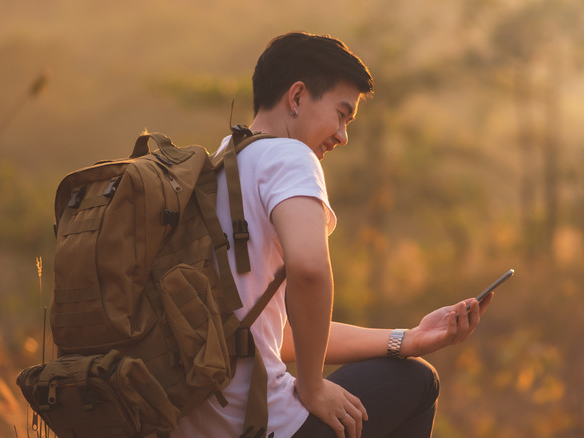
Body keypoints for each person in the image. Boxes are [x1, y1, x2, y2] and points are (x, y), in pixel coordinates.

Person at [171, 32, 492, 438]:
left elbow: (278, 337)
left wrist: (406, 338)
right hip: (263, 426)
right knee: (418, 382)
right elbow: (309, 268)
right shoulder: (289, 157)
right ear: (298, 97)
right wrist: (311, 386)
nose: (343, 135)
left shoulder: (218, 169)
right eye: (341, 114)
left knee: (404, 364)